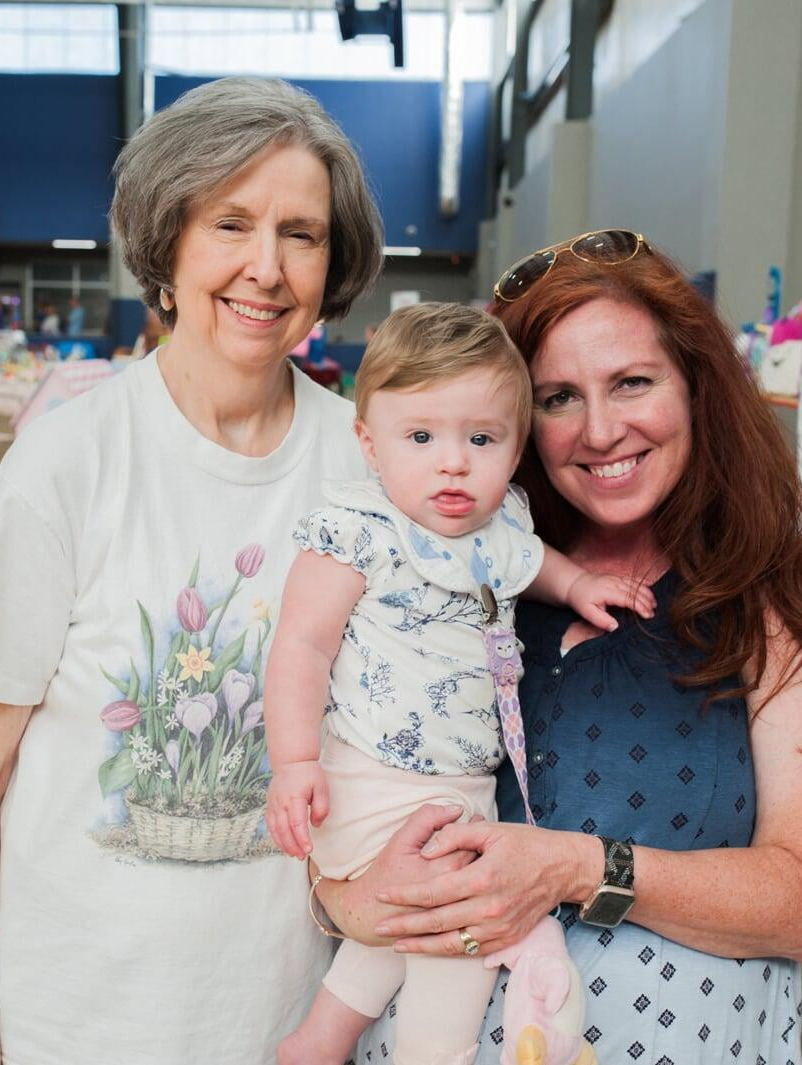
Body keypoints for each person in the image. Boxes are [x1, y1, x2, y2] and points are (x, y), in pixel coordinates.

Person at [311, 230, 802, 1064]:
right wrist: (349, 903)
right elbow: (341, 792)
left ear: (697, 389)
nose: (600, 430)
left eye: (633, 383)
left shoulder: (781, 602)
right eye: (558, 397)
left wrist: (579, 868)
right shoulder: (451, 572)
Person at [0, 76, 385, 1065]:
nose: (265, 267)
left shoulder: (360, 467)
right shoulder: (70, 461)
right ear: (167, 243)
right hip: (76, 1024)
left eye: (300, 234)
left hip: (288, 1022)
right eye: (231, 223)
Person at [265, 302, 653, 1065]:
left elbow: (534, 564)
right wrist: (293, 762)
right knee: (457, 932)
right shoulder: (359, 531)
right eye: (421, 437)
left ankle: (319, 1040)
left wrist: (578, 587)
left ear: (514, 453)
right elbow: (301, 647)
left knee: (406, 922)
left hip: (461, 785)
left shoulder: (499, 528)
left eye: (481, 439)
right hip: (369, 779)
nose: (453, 462)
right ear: (368, 442)